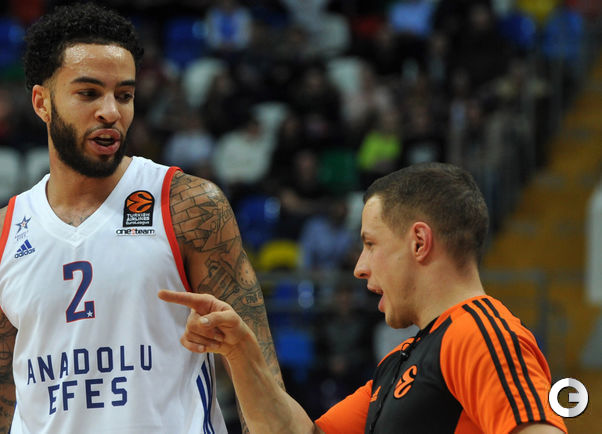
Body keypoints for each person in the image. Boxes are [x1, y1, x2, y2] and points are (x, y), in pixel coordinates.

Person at [0, 3, 282, 433]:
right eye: (88, 93)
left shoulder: (189, 206)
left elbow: (262, 379)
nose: (111, 112)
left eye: (124, 95)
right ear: (42, 103)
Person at [159, 162, 568, 434]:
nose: (359, 266)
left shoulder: (478, 332)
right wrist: (239, 352)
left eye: (370, 244)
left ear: (419, 242)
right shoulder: (401, 360)